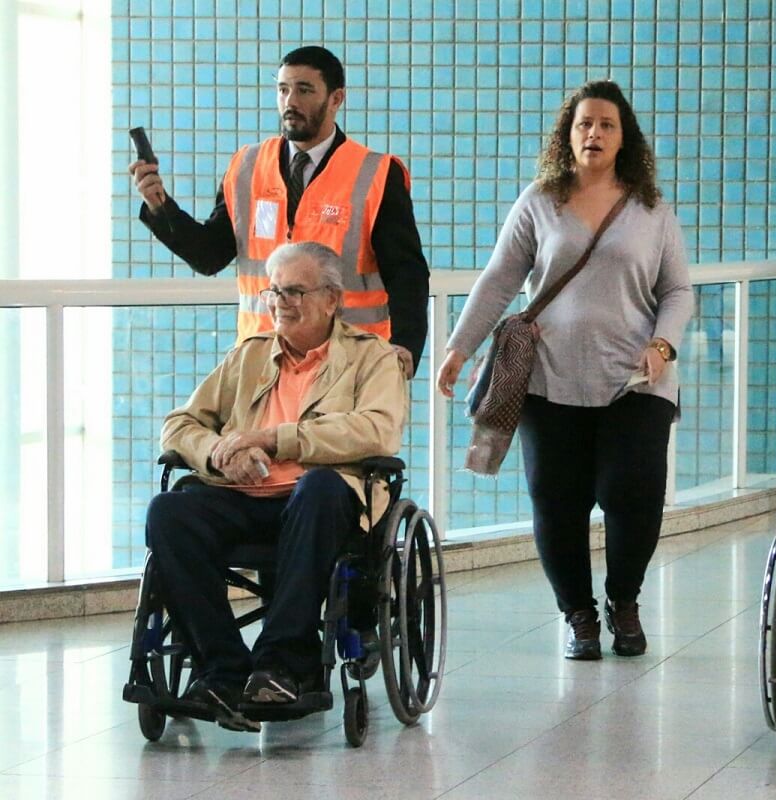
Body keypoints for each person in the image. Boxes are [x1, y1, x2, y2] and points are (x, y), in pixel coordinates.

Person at [435, 80, 694, 660]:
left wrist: (663, 346)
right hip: (549, 379)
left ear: (624, 138)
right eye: (583, 124)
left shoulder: (651, 210)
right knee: (557, 501)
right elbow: (500, 277)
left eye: (606, 124)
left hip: (636, 381)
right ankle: (578, 615)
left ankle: (622, 602)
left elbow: (677, 290)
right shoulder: (539, 201)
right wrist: (458, 347)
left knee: (634, 495)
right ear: (567, 134)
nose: (593, 133)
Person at [145, 241, 406, 732]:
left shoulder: (373, 359)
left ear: (333, 298)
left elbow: (377, 430)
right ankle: (223, 672)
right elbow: (181, 424)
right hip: (240, 496)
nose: (280, 302)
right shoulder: (250, 356)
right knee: (169, 511)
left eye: (294, 291)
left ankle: (282, 664)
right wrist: (220, 451)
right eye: (274, 291)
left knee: (322, 489)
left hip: (319, 503)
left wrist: (274, 439)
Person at [129, 46, 429, 377]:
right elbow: (209, 256)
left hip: (348, 364)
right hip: (263, 362)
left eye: (304, 90)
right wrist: (161, 207)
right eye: (283, 89)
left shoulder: (376, 173)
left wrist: (405, 348)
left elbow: (407, 275)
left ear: (336, 99)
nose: (290, 102)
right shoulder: (246, 167)